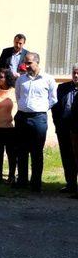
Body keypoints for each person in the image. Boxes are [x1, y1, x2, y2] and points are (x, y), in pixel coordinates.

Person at [14, 52, 57, 192]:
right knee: (21, 150)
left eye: (29, 63)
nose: (26, 65)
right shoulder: (21, 80)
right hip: (22, 117)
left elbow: (53, 99)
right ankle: (22, 181)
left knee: (36, 151)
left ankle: (36, 183)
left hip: (38, 118)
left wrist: (42, 108)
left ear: (37, 62)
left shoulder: (48, 79)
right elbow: (18, 95)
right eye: (25, 63)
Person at [51, 64, 78, 194]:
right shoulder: (62, 88)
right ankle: (71, 184)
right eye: (74, 73)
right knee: (67, 157)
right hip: (64, 129)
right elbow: (55, 109)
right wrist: (57, 125)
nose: (76, 75)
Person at [0, 68, 18, 184]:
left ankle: (11, 176)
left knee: (11, 153)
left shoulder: (14, 91)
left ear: (7, 78)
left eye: (1, 77)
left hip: (10, 127)